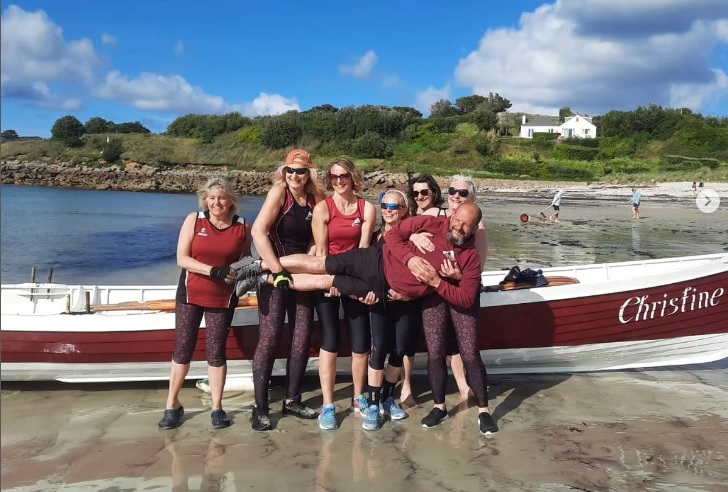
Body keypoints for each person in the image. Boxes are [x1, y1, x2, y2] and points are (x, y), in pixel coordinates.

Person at [234, 201, 498, 436]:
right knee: (320, 264)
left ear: (475, 228)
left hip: (386, 292)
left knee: (323, 281)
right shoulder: (431, 223)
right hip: (374, 262)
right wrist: (409, 259)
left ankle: (263, 278)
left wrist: (436, 281)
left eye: (466, 224)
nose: (459, 226)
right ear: (451, 215)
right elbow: (394, 235)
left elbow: (465, 296)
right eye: (457, 220)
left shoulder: (470, 256)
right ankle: (259, 265)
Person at [158, 176, 252, 430]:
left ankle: (217, 407)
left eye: (221, 198)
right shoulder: (194, 220)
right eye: (211, 198)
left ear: (231, 200)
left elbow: (246, 259)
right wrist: (214, 271)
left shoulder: (243, 226)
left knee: (216, 351)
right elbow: (182, 258)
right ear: (205, 200)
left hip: (223, 297)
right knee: (183, 348)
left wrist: (241, 272)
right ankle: (172, 404)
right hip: (190, 295)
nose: (216, 203)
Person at [249, 149, 325, 431]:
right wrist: (277, 271)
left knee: (302, 336)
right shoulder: (279, 193)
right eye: (289, 170)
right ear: (284, 172)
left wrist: (309, 261)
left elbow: (320, 237)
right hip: (274, 275)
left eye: (300, 171)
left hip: (302, 275)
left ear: (309, 173)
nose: (294, 176)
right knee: (270, 337)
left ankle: (292, 399)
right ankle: (260, 407)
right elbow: (258, 231)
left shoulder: (317, 198)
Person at [312, 157, 377, 430]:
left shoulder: (367, 208)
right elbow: (322, 252)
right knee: (330, 339)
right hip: (328, 277)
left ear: (352, 178)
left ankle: (358, 397)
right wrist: (332, 281)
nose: (338, 181)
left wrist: (348, 283)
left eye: (344, 177)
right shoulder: (322, 208)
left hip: (356, 278)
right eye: (334, 177)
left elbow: (363, 253)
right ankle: (328, 404)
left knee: (360, 341)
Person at [402, 174, 471, 405]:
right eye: (415, 193)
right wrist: (413, 234)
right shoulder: (409, 217)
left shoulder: (445, 215)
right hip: (414, 286)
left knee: (450, 339)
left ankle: (463, 387)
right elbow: (396, 236)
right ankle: (406, 387)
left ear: (433, 193)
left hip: (442, 285)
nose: (420, 196)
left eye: (424, 192)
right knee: (409, 337)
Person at [361, 190, 413, 431]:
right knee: (378, 349)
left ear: (404, 210)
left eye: (394, 206)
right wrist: (365, 293)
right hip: (378, 303)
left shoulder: (413, 237)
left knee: (399, 350)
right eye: (385, 205)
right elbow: (362, 267)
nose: (388, 209)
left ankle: (387, 397)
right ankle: (372, 404)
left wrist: (408, 294)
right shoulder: (373, 237)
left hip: (404, 302)